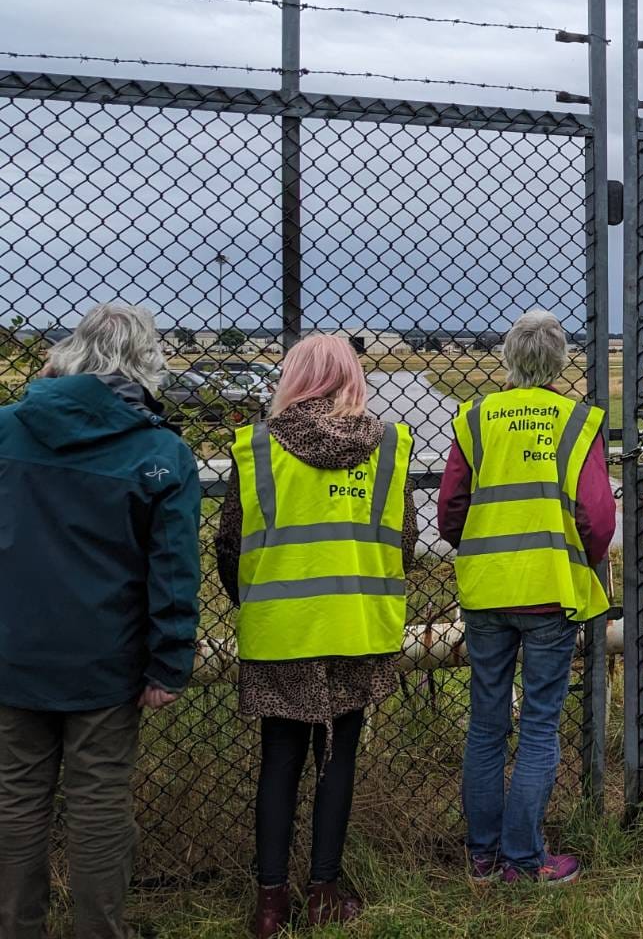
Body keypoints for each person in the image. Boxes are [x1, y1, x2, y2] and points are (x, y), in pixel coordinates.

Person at [0, 303, 201, 939]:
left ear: (69, 353)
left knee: (16, 801)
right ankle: (100, 930)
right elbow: (173, 573)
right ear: (148, 363)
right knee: (99, 807)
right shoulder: (160, 453)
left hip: (11, 653)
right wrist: (168, 663)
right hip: (106, 663)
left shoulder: (6, 431)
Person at [215, 334, 416, 936]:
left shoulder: (256, 447)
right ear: (352, 375)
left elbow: (229, 543)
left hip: (282, 630)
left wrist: (256, 600)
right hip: (356, 625)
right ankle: (325, 889)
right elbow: (403, 541)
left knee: (279, 762)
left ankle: (271, 902)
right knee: (339, 759)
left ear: (295, 375)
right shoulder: (386, 445)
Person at [439, 310, 615, 886]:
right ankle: (523, 858)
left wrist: (481, 544)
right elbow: (596, 515)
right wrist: (581, 558)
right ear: (560, 361)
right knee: (540, 725)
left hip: (486, 589)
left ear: (508, 358)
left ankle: (483, 856)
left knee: (486, 724)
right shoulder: (579, 421)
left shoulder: (475, 417)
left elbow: (450, 511)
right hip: (549, 589)